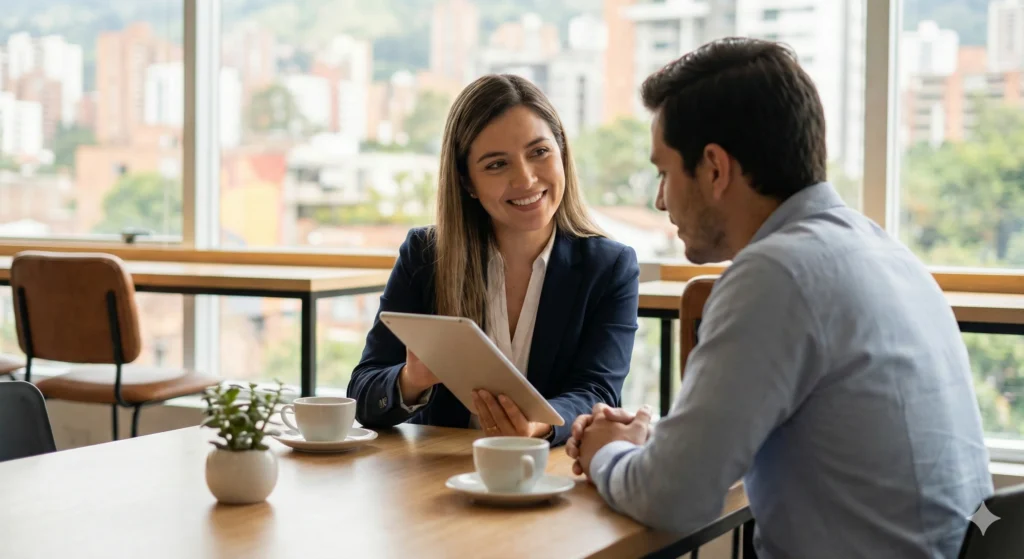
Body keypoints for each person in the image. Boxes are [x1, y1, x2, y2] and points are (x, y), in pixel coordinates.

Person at [566, 38, 993, 558]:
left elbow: (671, 498)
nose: (660, 199)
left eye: (664, 172)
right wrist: (657, 447)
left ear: (715, 169)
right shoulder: (880, 250)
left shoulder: (776, 274)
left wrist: (605, 451)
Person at [347, 74, 640, 445]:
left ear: (562, 152)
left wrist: (540, 425)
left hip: (544, 475)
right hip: (436, 480)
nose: (526, 179)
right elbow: (360, 394)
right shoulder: (425, 255)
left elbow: (598, 391)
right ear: (467, 182)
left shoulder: (610, 267)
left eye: (539, 152)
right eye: (497, 165)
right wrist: (412, 379)